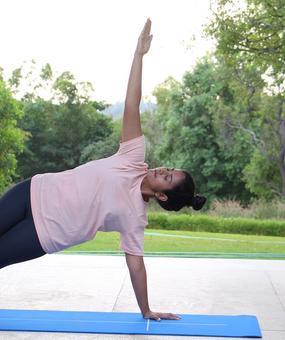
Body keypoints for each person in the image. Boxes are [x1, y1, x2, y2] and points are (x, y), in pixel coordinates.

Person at [0, 19, 206, 321]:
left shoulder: (135, 218)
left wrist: (146, 309)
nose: (164, 169)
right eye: (169, 168)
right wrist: (139, 55)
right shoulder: (134, 160)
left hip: (44, 233)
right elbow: (132, 105)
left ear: (163, 197)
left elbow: (136, 265)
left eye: (168, 177)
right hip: (33, 191)